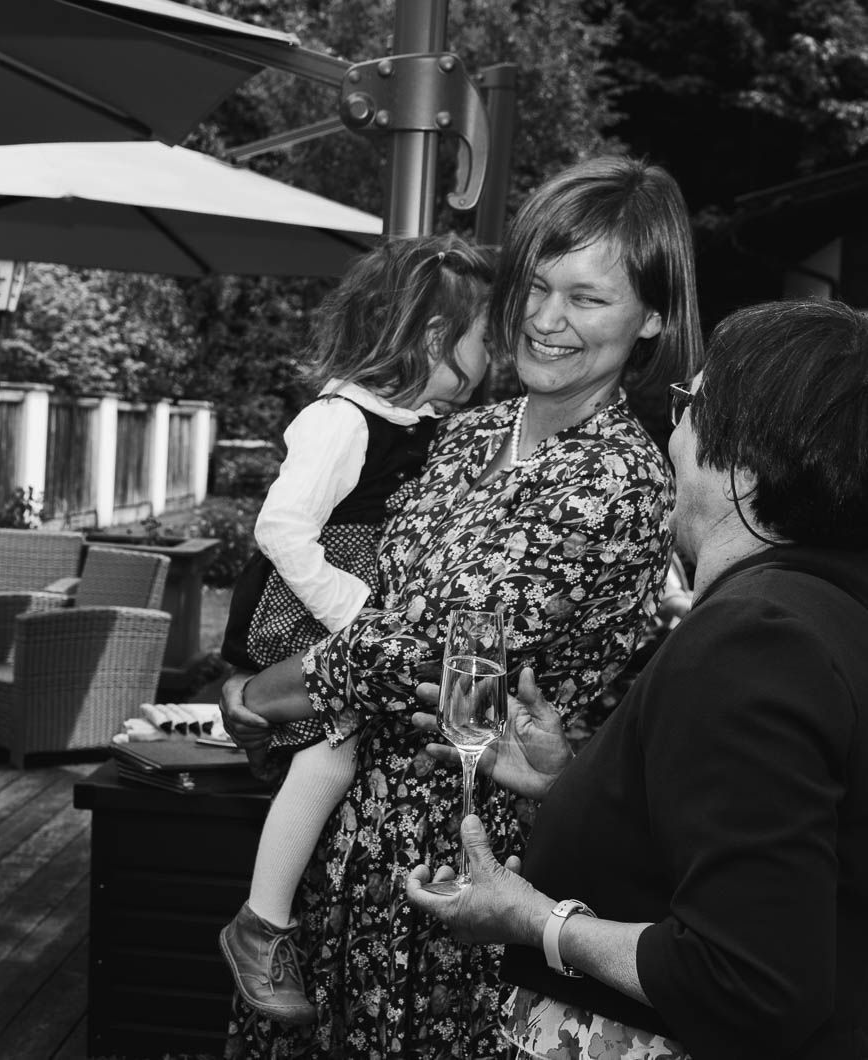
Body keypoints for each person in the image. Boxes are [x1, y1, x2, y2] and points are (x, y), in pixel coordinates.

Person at [220, 155, 700, 1059]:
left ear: (653, 318)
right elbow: (379, 596)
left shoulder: (618, 479)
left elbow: (439, 654)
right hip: (343, 833)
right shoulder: (464, 431)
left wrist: (261, 694)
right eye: (535, 287)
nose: (546, 319)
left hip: (472, 861)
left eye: (587, 298)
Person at [406, 297, 868, 1060]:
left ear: (744, 454)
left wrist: (533, 920)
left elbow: (749, 977)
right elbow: (764, 835)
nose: (671, 432)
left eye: (688, 405)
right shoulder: (825, 608)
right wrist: (578, 784)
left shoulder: (756, 638)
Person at [217, 234, 494, 1026]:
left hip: (345, 615)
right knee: (330, 756)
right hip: (306, 611)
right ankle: (260, 924)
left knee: (329, 755)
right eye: (484, 336)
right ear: (437, 339)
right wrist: (353, 615)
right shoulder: (342, 419)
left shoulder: (421, 422)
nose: (494, 354)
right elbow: (281, 528)